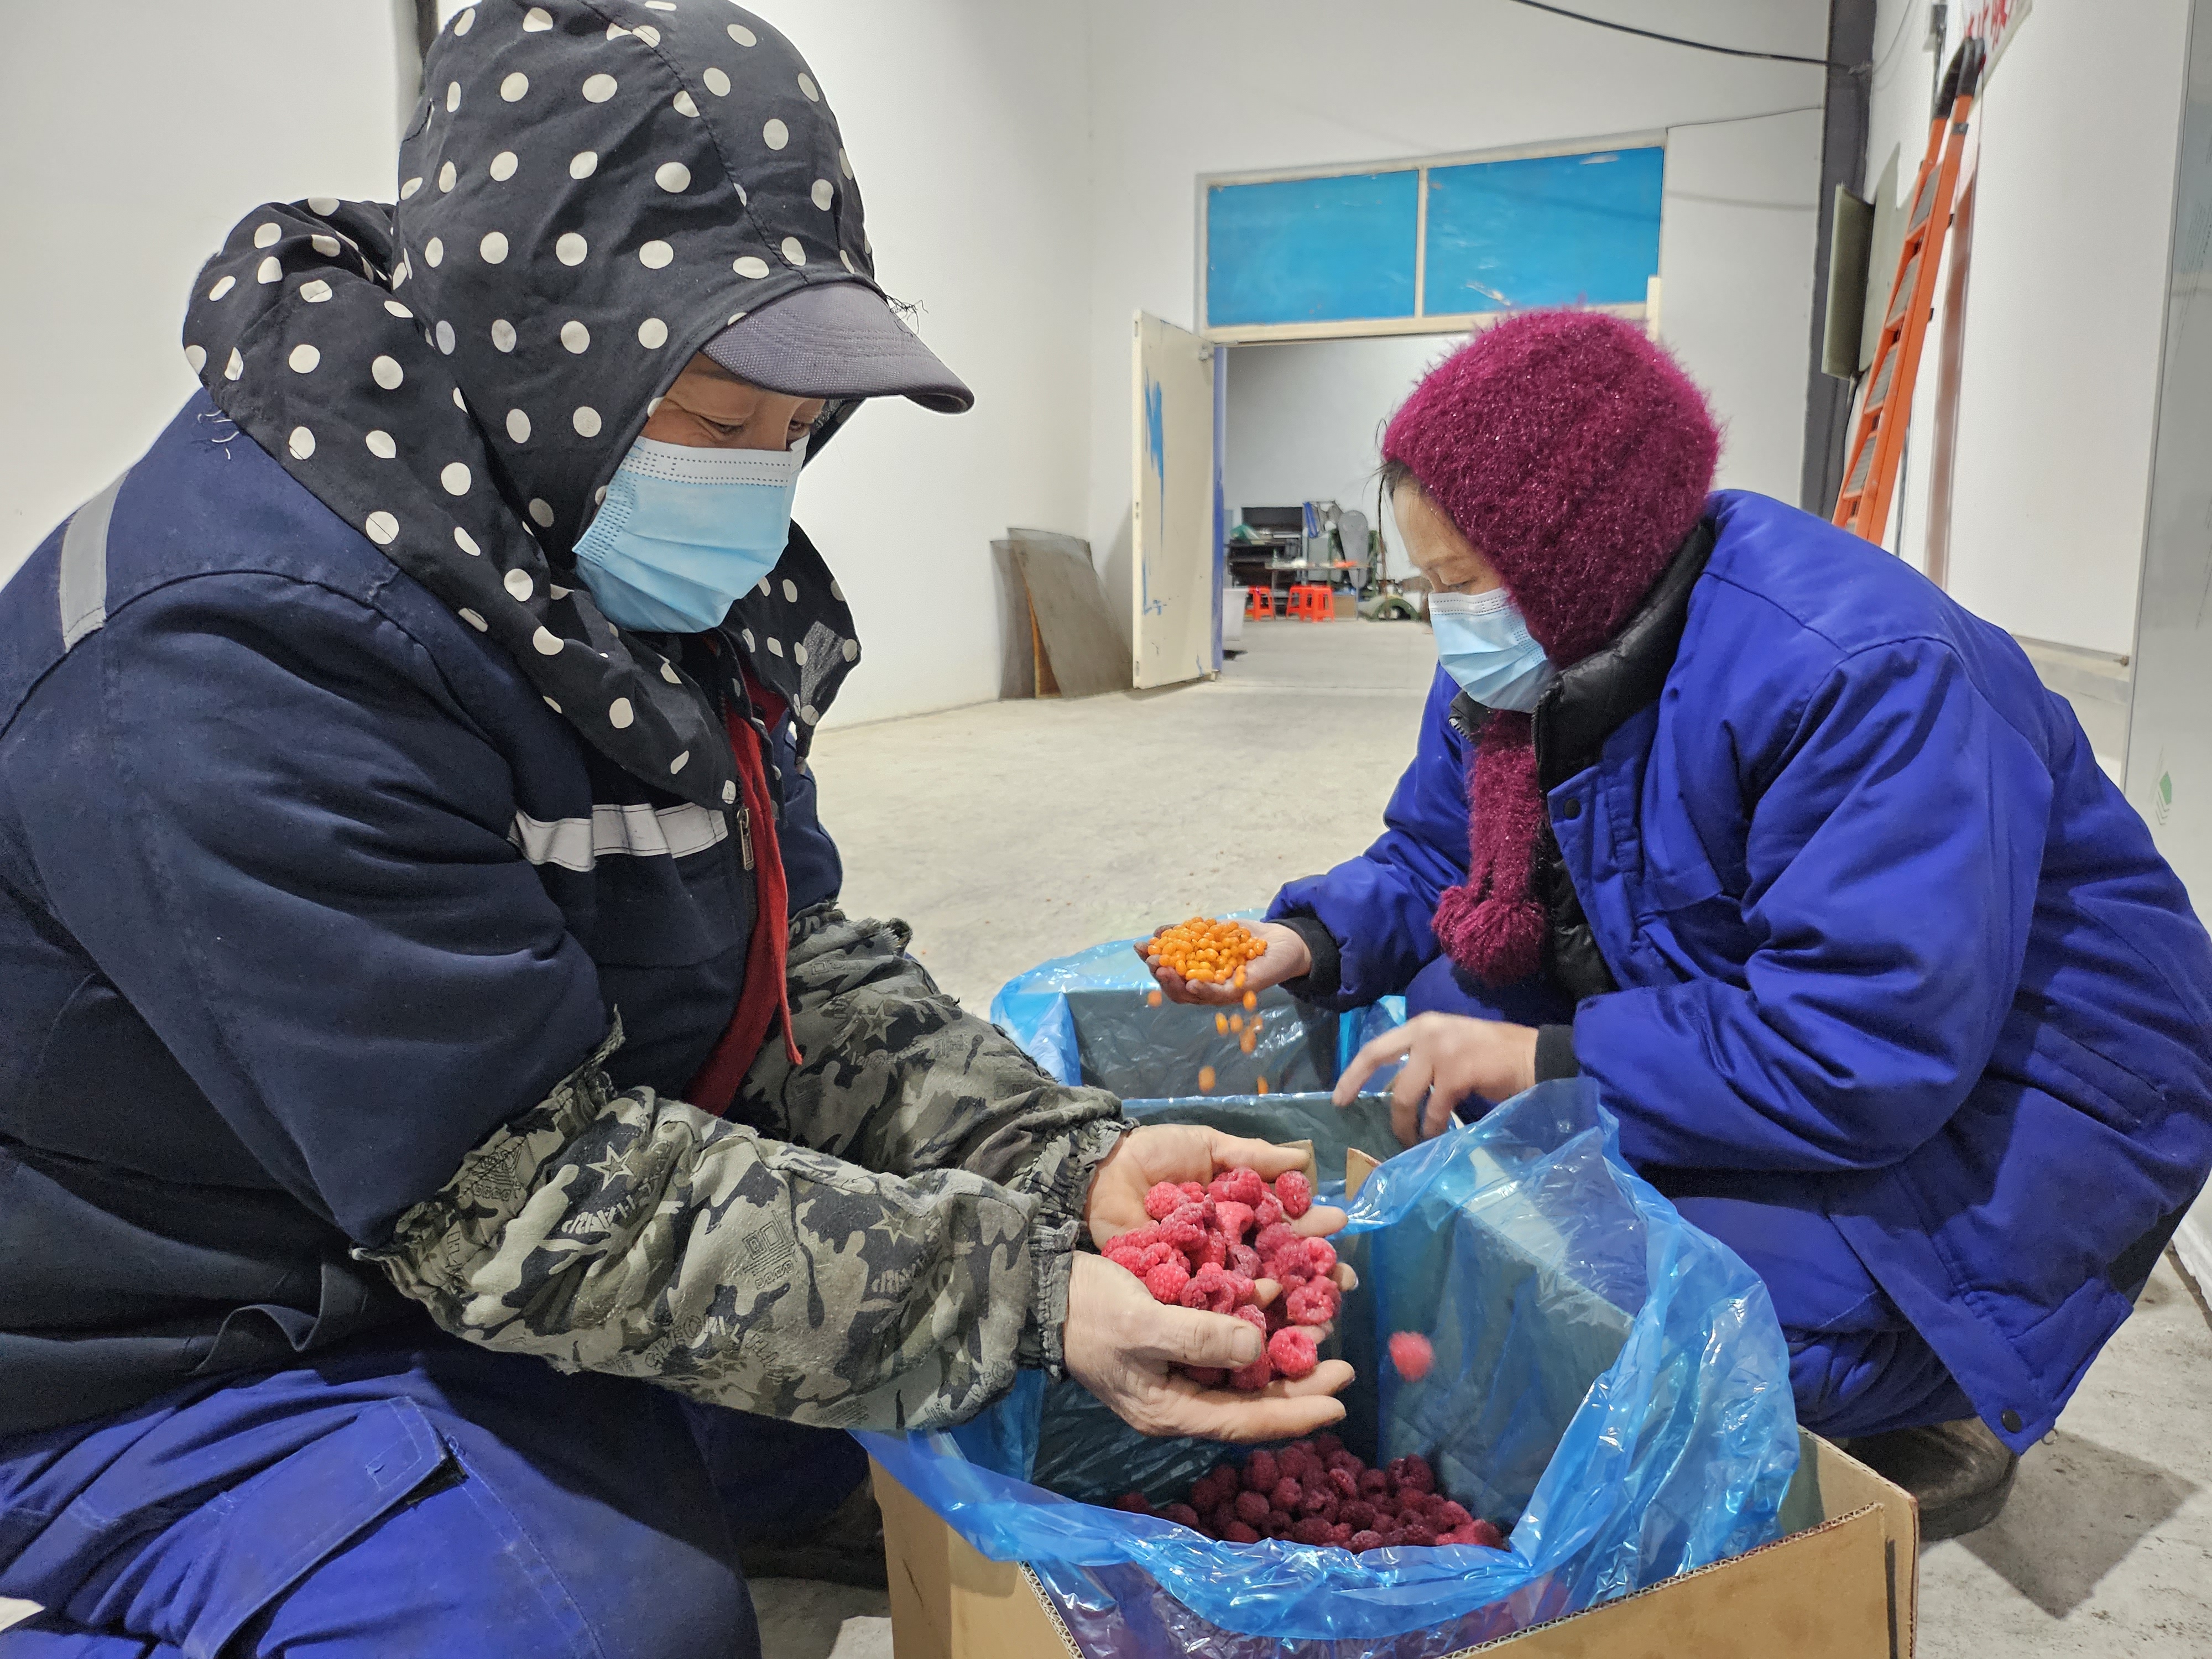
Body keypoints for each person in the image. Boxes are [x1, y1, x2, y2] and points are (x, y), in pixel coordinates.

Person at [0, 7, 1352, 1653]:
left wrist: (1062, 1164)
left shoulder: (603, 558)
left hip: (446, 1201)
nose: (762, 485)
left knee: (928, 1413)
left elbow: (791, 972)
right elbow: (517, 1196)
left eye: (800, 434)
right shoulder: (233, 656)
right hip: (188, 1327)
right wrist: (1020, 1287)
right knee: (613, 1628)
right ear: (538, 357)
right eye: (719, 426)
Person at [1148, 310, 2212, 1540]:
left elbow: (1863, 1047)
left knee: (1658, 1312)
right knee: (1442, 1029)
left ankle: (1925, 1389)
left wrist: (1548, 1061)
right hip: (1790, 1022)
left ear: (1575, 556)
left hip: (2006, 1108)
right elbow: (1441, 852)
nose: (1447, 621)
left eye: (1460, 585)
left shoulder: (1858, 674)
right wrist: (1311, 943)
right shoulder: (1537, 646)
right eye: (1429, 586)